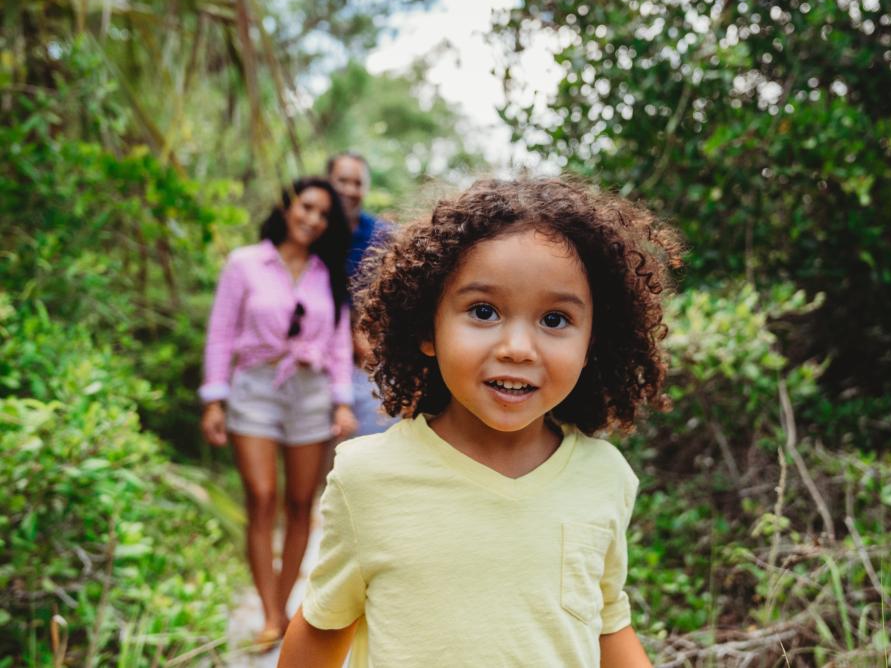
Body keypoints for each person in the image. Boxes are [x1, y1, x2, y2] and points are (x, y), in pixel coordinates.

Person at [278, 178, 682, 667]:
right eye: (484, 311)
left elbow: (609, 626)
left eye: (554, 320)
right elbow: (322, 628)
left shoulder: (606, 477)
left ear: (592, 342)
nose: (517, 347)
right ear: (428, 328)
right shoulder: (369, 477)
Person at [199, 177, 358, 649]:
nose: (312, 219)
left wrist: (342, 400)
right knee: (263, 496)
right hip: (254, 388)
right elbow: (221, 334)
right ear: (288, 207)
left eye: (323, 214)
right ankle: (270, 614)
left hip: (309, 393)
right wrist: (214, 397)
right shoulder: (245, 263)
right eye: (306, 207)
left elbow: (337, 343)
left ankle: (287, 606)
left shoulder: (326, 272)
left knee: (300, 503)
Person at [326, 151, 398, 436]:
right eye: (341, 181)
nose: (348, 189)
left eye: (357, 183)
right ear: (327, 183)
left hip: (366, 363)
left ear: (365, 189)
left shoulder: (383, 235)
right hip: (316, 361)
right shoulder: (310, 231)